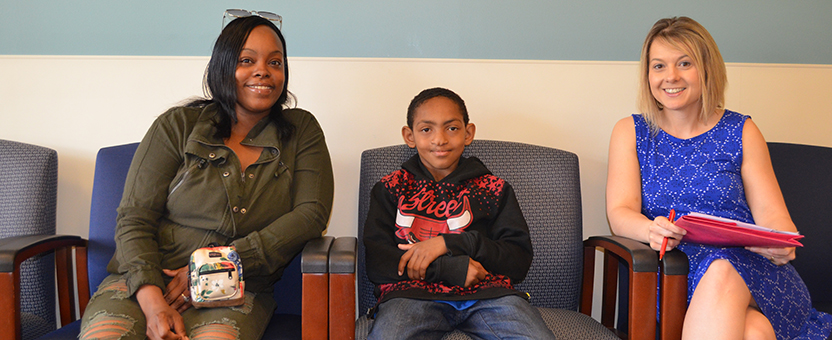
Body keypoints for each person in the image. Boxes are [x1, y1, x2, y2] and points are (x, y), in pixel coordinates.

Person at [78, 14, 334, 340]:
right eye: (246, 60)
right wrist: (154, 301)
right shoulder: (178, 125)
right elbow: (134, 217)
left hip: (236, 286)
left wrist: (212, 266)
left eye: (275, 62)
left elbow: (310, 214)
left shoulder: (301, 130)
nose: (263, 71)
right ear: (222, 68)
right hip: (146, 281)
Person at [606, 16, 832, 339]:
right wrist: (649, 229)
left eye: (684, 63)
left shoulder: (742, 130)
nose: (670, 76)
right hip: (674, 275)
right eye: (658, 66)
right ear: (647, 74)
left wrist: (781, 244)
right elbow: (619, 212)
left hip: (750, 271)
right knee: (755, 333)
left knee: (723, 267)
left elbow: (775, 219)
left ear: (707, 69)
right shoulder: (631, 132)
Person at [362, 87, 555, 339]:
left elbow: (518, 261)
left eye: (451, 128)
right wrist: (449, 269)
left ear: (468, 133)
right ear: (410, 136)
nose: (439, 139)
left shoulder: (494, 189)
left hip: (490, 296)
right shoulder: (390, 188)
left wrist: (452, 242)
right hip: (411, 297)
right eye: (426, 129)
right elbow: (378, 263)